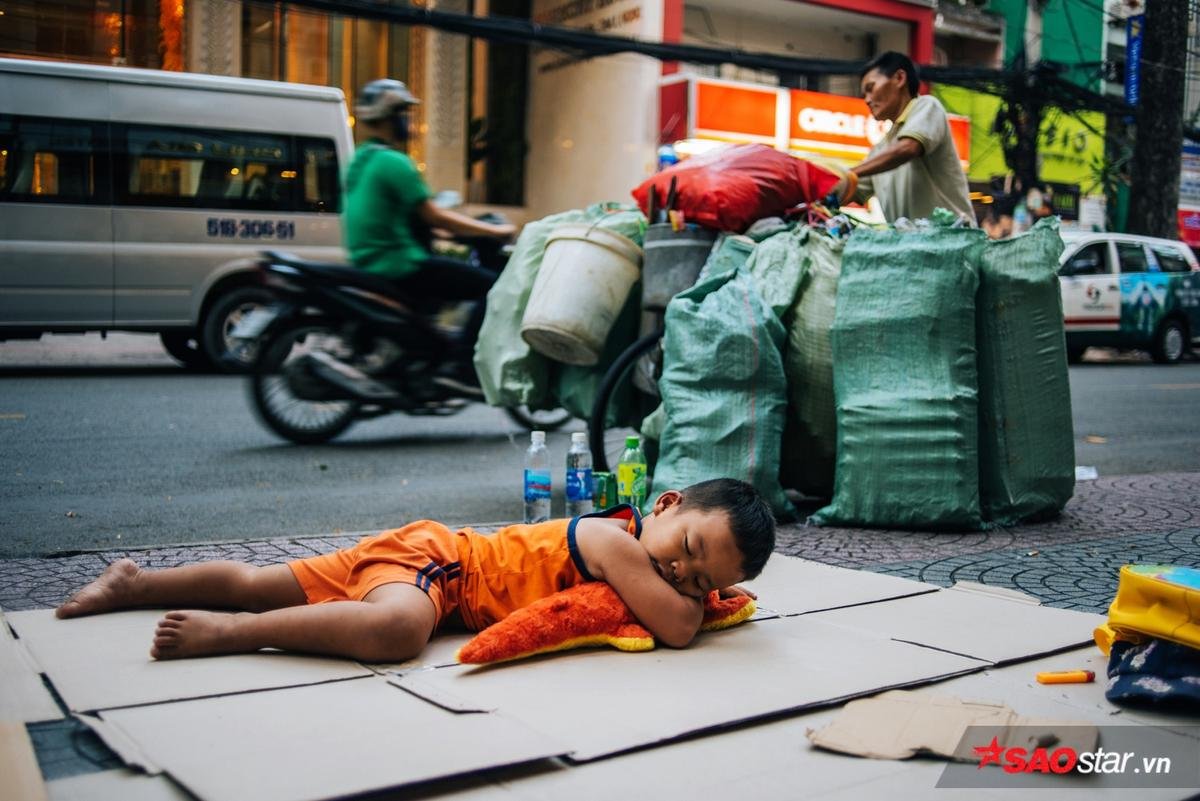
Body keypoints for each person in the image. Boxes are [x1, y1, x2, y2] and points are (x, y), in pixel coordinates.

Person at [55, 478, 776, 662]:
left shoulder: (639, 546)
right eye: (684, 546)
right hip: (443, 567)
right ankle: (231, 634)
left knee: (255, 576)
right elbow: (680, 629)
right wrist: (696, 601)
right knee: (399, 629)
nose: (677, 573)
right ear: (665, 503)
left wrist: (706, 591)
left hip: (423, 550)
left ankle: (136, 582)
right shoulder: (613, 538)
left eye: (696, 577)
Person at [343, 79, 516, 393]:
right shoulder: (393, 162)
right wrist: (495, 231)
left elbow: (410, 218)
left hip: (369, 261)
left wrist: (445, 232)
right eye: (403, 114)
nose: (408, 121)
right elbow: (436, 216)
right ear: (388, 117)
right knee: (491, 287)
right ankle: (463, 369)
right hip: (399, 263)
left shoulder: (362, 160)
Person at [825, 52, 974, 226]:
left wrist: (851, 172)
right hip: (912, 247)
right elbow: (848, 189)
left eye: (870, 88)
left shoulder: (927, 107)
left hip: (955, 243)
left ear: (899, 78)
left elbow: (909, 147)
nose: (866, 100)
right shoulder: (880, 150)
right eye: (863, 95)